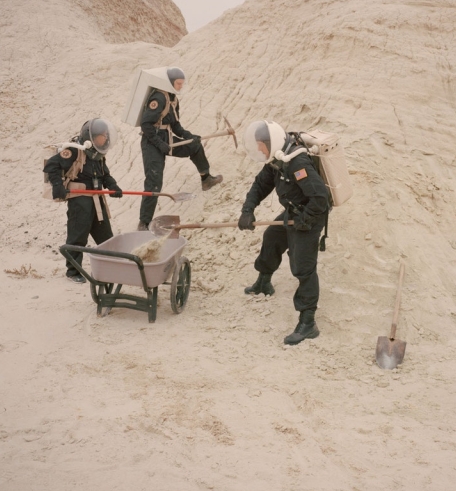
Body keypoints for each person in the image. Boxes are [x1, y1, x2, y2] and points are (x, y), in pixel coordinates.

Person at [237, 120, 330, 345]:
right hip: (294, 211)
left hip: (311, 216)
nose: (260, 150)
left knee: (302, 266)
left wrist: (303, 221)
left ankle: (308, 322)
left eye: (261, 146)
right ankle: (264, 283)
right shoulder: (278, 159)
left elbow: (321, 200)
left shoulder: (297, 164)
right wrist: (247, 210)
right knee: (272, 238)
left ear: (271, 142)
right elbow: (260, 185)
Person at [137, 66, 222, 230]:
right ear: (169, 82)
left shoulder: (173, 99)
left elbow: (175, 125)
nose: (180, 86)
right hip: (151, 142)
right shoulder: (159, 98)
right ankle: (144, 222)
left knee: (194, 146)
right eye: (178, 83)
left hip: (165, 138)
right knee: (154, 181)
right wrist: (160, 144)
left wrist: (188, 136)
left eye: (181, 84)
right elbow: (146, 125)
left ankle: (206, 179)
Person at [44, 118, 123, 283]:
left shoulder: (98, 154)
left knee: (106, 237)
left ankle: (110, 268)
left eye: (106, 135)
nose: (106, 139)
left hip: (97, 200)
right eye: (103, 135)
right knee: (78, 236)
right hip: (79, 201)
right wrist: (57, 185)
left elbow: (105, 174)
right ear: (92, 136)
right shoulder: (75, 151)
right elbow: (51, 165)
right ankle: (72, 272)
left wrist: (113, 186)